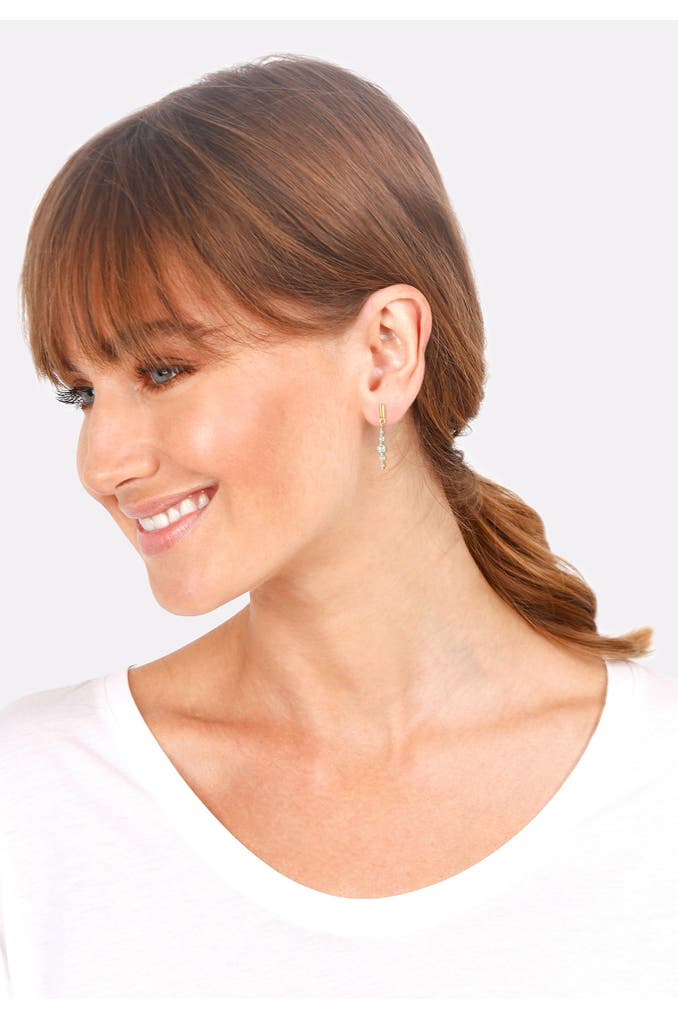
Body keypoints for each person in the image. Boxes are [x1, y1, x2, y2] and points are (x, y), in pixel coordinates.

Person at [1, 52, 676, 1000]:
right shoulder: (31, 803)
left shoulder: (656, 786)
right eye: (81, 394)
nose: (100, 463)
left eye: (162, 370)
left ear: (384, 353)